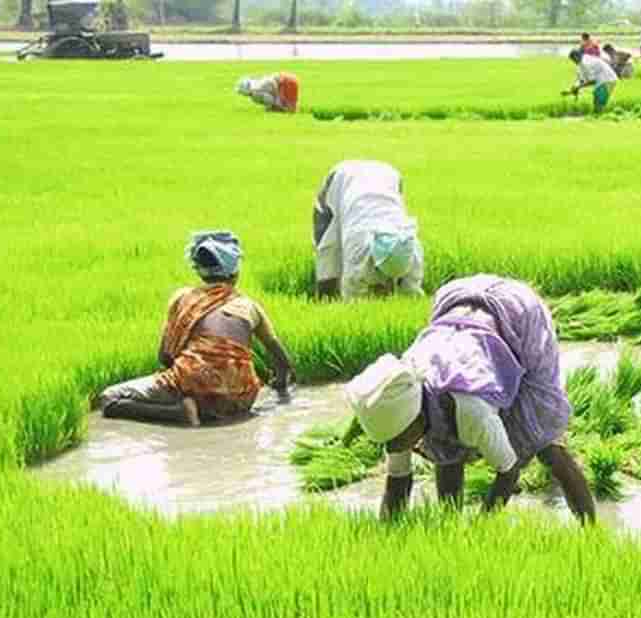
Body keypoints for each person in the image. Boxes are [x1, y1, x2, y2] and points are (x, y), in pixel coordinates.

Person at [343, 274, 597, 525]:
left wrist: (481, 526)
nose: (395, 447)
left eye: (398, 441)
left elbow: (508, 473)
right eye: (390, 443)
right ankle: (450, 521)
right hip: (458, 315)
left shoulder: (471, 409)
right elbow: (397, 483)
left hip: (517, 318)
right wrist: (386, 534)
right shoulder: (398, 409)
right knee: (446, 452)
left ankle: (591, 529)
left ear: (416, 419)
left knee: (546, 446)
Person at [99, 231, 294, 426]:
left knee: (109, 398)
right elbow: (283, 362)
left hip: (195, 385)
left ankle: (178, 413)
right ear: (236, 273)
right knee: (208, 395)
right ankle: (199, 409)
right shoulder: (249, 306)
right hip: (242, 396)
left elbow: (164, 357)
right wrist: (280, 384)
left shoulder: (183, 297)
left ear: (199, 271)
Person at [312, 160, 424, 301]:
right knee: (328, 263)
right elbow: (353, 299)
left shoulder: (412, 252)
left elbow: (412, 295)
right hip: (341, 180)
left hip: (388, 178)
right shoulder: (358, 249)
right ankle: (323, 306)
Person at [564, 49, 618, 114]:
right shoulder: (580, 63)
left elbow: (592, 81)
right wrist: (572, 89)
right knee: (596, 98)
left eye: (573, 59)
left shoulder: (586, 62)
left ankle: (600, 117)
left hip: (607, 79)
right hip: (600, 80)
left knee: (599, 99)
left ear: (576, 57)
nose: (573, 62)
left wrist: (579, 87)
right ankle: (598, 116)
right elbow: (581, 79)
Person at [235, 73, 299, 113]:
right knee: (288, 109)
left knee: (289, 110)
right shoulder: (257, 84)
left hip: (286, 82)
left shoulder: (255, 93)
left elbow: (271, 100)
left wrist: (278, 105)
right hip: (288, 77)